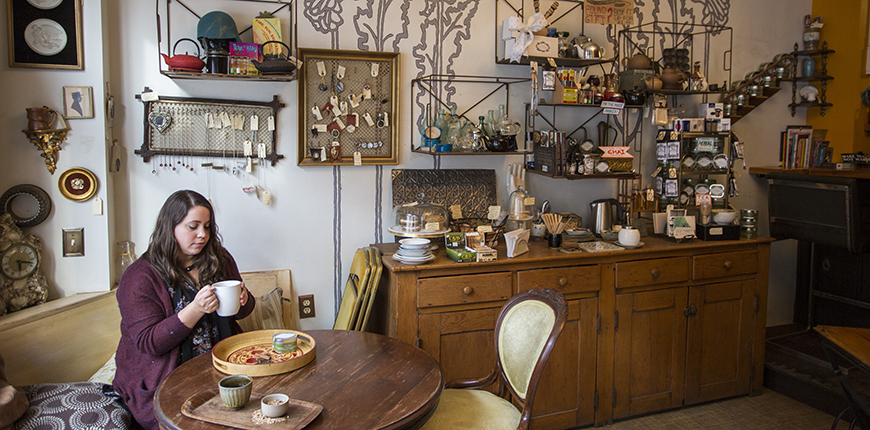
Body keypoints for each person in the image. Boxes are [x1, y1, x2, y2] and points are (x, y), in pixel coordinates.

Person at [112, 190, 254, 430]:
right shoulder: (139, 277)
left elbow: (240, 313)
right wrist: (195, 309)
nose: (203, 235)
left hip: (222, 368)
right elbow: (150, 343)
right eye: (193, 226)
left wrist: (244, 299)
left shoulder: (219, 258)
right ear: (170, 228)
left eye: (208, 226)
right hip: (166, 380)